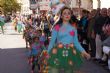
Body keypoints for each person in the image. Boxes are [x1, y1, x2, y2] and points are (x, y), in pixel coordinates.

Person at [47, 6, 90, 73]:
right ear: (61, 16)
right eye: (65, 13)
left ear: (71, 15)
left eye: (69, 13)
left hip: (70, 53)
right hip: (58, 52)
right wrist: (47, 53)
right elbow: (52, 42)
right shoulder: (57, 27)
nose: (67, 15)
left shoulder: (73, 28)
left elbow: (76, 43)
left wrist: (84, 52)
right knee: (53, 71)